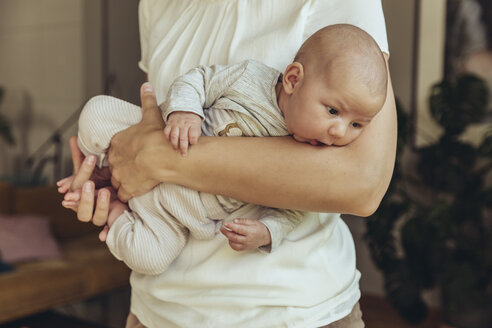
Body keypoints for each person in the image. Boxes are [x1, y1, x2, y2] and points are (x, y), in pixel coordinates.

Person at [59, 0, 397, 327]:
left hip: (290, 314)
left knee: (151, 252)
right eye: (334, 113)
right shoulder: (157, 6)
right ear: (292, 80)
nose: (340, 132)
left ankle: (120, 220)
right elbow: (161, 112)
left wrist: (157, 159)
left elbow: (361, 184)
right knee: (97, 114)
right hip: (158, 312)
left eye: (356, 125)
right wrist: (114, 174)